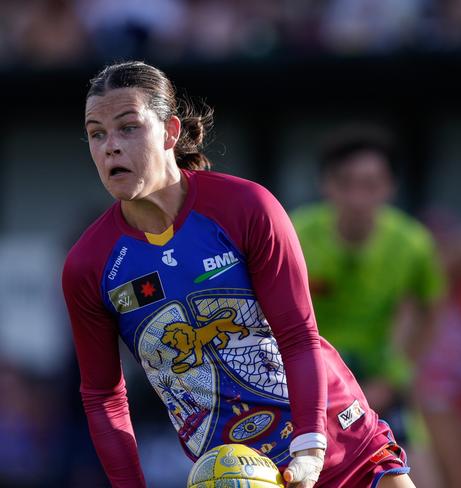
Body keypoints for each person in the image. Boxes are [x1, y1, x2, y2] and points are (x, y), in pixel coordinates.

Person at [61, 60, 416, 488]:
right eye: (96, 133)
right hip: (237, 474)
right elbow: (103, 398)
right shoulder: (89, 265)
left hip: (338, 439)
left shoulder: (245, 207)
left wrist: (309, 446)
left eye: (128, 127)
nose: (110, 146)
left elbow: (298, 334)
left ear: (170, 132)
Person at [291, 126, 446, 444]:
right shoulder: (293, 234)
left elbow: (432, 311)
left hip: (379, 387)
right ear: (327, 185)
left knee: (417, 472)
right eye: (347, 184)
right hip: (307, 387)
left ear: (389, 187)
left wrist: (396, 376)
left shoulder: (413, 243)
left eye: (371, 184)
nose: (358, 198)